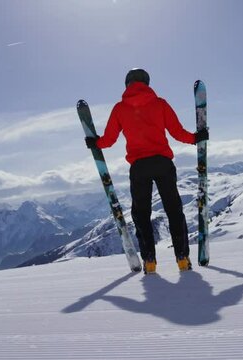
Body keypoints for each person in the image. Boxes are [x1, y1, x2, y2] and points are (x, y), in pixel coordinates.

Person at [85, 68, 209, 274]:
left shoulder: (119, 109)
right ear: (147, 83)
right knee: (174, 211)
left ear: (127, 84)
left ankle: (149, 261)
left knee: (141, 215)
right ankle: (182, 259)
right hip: (162, 163)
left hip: (139, 168)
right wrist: (197, 138)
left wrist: (94, 142)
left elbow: (108, 141)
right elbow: (178, 133)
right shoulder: (160, 104)